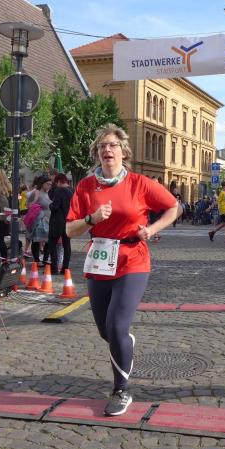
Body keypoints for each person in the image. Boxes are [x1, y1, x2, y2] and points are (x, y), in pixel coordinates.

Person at [66, 124, 179, 416]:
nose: (107, 150)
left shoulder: (140, 183)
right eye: (102, 146)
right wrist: (91, 219)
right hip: (99, 261)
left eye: (113, 145)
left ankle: (121, 390)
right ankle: (124, 343)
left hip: (132, 259)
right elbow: (69, 230)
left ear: (124, 152)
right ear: (97, 153)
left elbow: (173, 207)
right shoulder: (86, 186)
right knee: (106, 330)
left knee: (117, 326)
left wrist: (152, 229)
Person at [48, 173, 73, 275]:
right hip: (69, 221)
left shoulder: (60, 190)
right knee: (67, 245)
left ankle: (54, 268)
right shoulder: (72, 191)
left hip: (57, 222)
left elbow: (55, 206)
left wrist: (50, 205)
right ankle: (65, 268)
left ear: (58, 182)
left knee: (52, 244)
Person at [30, 175, 53, 266]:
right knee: (36, 239)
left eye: (50, 184)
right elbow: (29, 205)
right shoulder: (36, 192)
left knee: (48, 240)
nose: (49, 186)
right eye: (48, 184)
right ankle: (36, 260)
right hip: (39, 220)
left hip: (48, 220)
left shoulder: (49, 193)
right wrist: (35, 202)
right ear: (43, 184)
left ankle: (45, 259)